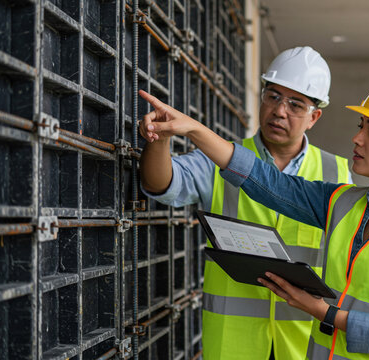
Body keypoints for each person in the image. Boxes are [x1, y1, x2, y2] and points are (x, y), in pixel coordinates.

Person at [139, 74, 369, 359]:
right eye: (362, 127)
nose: (357, 138)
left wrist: (322, 312)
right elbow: (268, 183)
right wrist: (194, 130)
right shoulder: (342, 203)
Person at [139, 46, 352, 359]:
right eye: (273, 96)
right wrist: (161, 137)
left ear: (314, 117)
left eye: (295, 104)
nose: (280, 110)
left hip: (302, 342)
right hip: (233, 343)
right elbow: (160, 184)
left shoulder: (337, 173)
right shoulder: (220, 157)